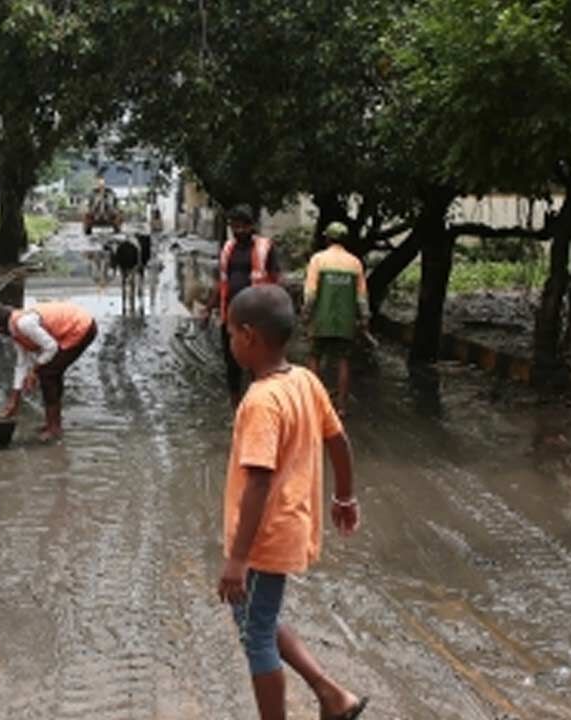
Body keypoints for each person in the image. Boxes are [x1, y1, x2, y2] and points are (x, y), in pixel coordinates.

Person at [217, 285, 367, 720]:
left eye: (230, 334)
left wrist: (238, 559)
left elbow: (260, 482)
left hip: (265, 536)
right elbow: (338, 440)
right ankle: (331, 695)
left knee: (256, 636)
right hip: (282, 527)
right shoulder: (304, 380)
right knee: (256, 619)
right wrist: (344, 496)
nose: (230, 343)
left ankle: (314, 702)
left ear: (248, 336)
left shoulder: (262, 401)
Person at [0, 301, 98, 442]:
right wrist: (15, 399)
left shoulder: (23, 324)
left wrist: (34, 370)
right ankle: (54, 423)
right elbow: (21, 364)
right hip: (73, 326)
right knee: (52, 372)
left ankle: (54, 428)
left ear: (0, 328)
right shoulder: (16, 327)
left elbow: (51, 347)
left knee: (47, 374)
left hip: (81, 327)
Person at [202, 204, 281, 406]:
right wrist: (208, 309)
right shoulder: (228, 248)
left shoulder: (266, 247)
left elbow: (276, 280)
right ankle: (236, 406)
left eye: (241, 227)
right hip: (231, 315)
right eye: (234, 227)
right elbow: (221, 282)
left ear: (251, 226)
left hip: (257, 316)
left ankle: (259, 404)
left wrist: (277, 312)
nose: (238, 231)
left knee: (258, 361)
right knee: (231, 363)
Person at [304, 222, 369, 416]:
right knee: (343, 361)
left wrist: (306, 314)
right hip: (345, 322)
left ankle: (314, 405)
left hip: (321, 321)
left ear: (327, 239)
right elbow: (361, 297)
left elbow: (311, 293)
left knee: (315, 358)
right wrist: (364, 319)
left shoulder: (318, 260)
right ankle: (341, 406)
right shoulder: (355, 263)